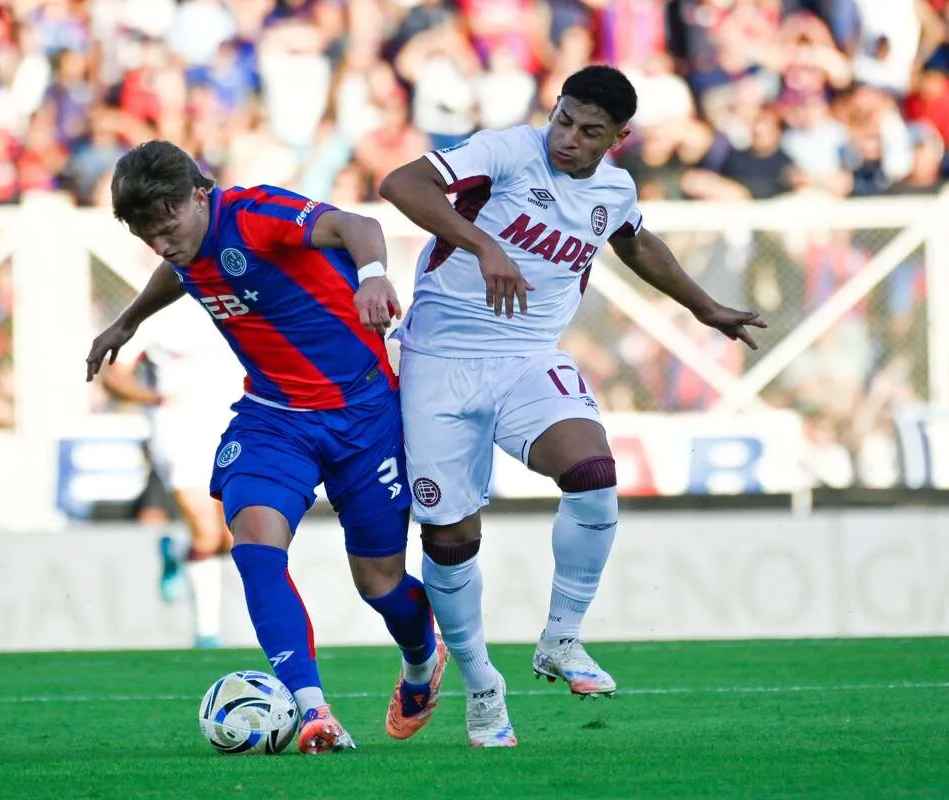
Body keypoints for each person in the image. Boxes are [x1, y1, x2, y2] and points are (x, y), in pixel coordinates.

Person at [379, 64, 766, 748]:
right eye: (563, 120)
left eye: (590, 132)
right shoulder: (506, 150)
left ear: (619, 138)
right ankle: (481, 687)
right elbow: (400, 184)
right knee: (450, 538)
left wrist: (704, 307)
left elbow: (634, 239)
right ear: (553, 108)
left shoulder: (614, 189)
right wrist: (483, 244)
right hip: (438, 362)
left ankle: (562, 637)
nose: (568, 139)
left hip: (528, 356)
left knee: (592, 473)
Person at [86, 141, 447, 755]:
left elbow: (358, 225)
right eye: (148, 235)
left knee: (380, 584)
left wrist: (373, 277)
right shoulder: (184, 246)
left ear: (199, 196)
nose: (163, 245)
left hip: (362, 415)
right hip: (273, 418)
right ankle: (313, 712)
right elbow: (181, 271)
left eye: (169, 228)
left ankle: (422, 658)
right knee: (254, 542)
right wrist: (129, 320)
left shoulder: (254, 215)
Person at [101, 295, 244, 649]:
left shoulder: (233, 298)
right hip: (178, 434)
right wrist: (155, 400)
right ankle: (206, 634)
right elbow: (114, 377)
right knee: (206, 533)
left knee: (231, 538)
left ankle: (177, 551)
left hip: (230, 429)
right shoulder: (157, 314)